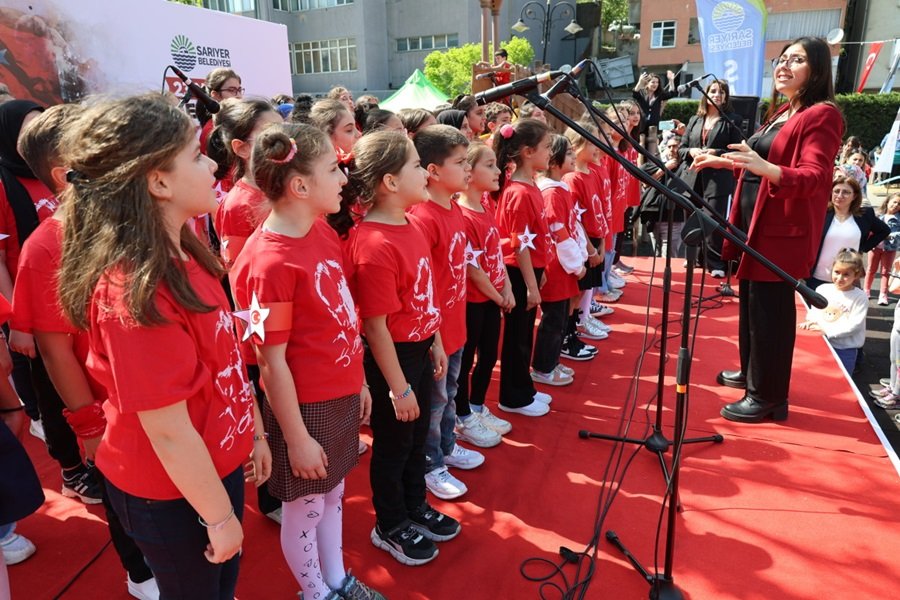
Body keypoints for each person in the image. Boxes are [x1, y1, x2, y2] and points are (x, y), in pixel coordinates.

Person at [57, 94, 271, 597]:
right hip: (171, 493)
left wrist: (253, 432)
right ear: (158, 182)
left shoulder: (185, 252)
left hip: (206, 472)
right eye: (196, 156)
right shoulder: (137, 292)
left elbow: (224, 362)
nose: (213, 164)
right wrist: (219, 518)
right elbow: (169, 431)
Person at [230, 122, 384, 599]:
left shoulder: (319, 230)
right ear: (299, 185)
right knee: (308, 505)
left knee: (334, 492)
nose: (344, 179)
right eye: (333, 169)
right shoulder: (269, 263)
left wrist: (358, 380)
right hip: (304, 407)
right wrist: (296, 438)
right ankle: (315, 592)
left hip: (339, 393)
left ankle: (336, 580)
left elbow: (340, 313)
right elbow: (270, 363)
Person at [12, 104, 160, 598]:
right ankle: (141, 574)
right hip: (109, 409)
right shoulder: (45, 247)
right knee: (127, 499)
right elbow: (55, 351)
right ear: (65, 173)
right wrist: (89, 424)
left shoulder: (132, 221)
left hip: (157, 396)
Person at [692, 36, 844, 422]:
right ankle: (752, 373)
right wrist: (723, 161)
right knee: (752, 304)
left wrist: (766, 168)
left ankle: (769, 396)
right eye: (782, 58)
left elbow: (815, 176)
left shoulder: (822, 115)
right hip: (755, 225)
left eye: (797, 60)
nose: (784, 66)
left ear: (817, 70)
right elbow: (759, 158)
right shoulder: (785, 110)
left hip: (781, 232)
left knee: (770, 313)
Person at [344, 131, 459, 566]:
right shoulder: (374, 244)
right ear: (390, 182)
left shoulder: (411, 224)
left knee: (415, 440)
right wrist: (399, 387)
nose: (424, 172)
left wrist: (436, 341)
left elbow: (424, 296)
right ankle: (390, 523)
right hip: (393, 359)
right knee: (393, 446)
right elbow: (375, 328)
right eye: (415, 165)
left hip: (419, 349)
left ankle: (415, 505)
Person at [0, 100, 103, 503]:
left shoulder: (71, 181)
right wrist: (19, 318)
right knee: (52, 388)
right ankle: (72, 469)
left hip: (78, 301)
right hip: (39, 298)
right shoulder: (6, 183)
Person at [408, 126, 487, 502]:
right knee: (436, 400)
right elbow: (421, 285)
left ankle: (447, 446)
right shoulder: (422, 217)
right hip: (435, 331)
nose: (468, 168)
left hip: (456, 323)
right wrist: (435, 336)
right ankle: (430, 462)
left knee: (451, 392)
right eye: (460, 162)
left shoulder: (454, 208)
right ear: (433, 171)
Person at [492, 119, 554, 417]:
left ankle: (524, 387)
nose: (550, 152)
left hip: (530, 270)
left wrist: (540, 273)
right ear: (528, 152)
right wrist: (530, 285)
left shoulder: (530, 185)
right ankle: (513, 396)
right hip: (518, 272)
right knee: (517, 337)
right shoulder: (518, 192)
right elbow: (520, 245)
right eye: (546, 147)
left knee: (525, 334)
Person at [454, 143, 514, 445]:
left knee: (490, 354)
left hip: (492, 298)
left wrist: (507, 286)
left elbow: (495, 253)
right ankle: (461, 414)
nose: (498, 171)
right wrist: (498, 295)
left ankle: (477, 405)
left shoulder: (487, 206)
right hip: (474, 302)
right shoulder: (462, 215)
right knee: (466, 361)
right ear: (469, 172)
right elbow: (472, 269)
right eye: (489, 165)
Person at [676, 79, 744, 278]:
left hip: (718, 179)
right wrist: (691, 151)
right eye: (713, 91)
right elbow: (681, 149)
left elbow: (738, 150)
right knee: (692, 218)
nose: (717, 95)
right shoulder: (694, 120)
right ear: (705, 95)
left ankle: (714, 262)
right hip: (693, 177)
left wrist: (716, 152)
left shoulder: (732, 119)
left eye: (721, 92)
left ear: (726, 97)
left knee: (713, 220)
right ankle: (694, 258)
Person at [534, 134, 586, 387]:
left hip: (565, 266)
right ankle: (543, 367)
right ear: (554, 161)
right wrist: (577, 263)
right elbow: (558, 231)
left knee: (562, 318)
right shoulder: (551, 193)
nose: (574, 157)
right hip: (557, 267)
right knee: (553, 320)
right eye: (569, 153)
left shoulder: (560, 188)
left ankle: (552, 361)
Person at [209, 98, 282, 267]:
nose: (285, 140)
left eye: (286, 129)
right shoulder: (237, 207)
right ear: (242, 148)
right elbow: (238, 272)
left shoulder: (287, 188)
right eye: (271, 133)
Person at [807, 175, 888, 291]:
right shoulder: (821, 213)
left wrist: (863, 248)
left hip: (849, 279)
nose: (840, 195)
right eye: (836, 191)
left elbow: (884, 230)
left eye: (846, 192)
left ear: (854, 196)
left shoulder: (865, 215)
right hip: (818, 277)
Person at [799, 249, 868, 373]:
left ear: (856, 275)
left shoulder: (860, 297)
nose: (840, 278)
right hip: (821, 343)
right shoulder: (822, 289)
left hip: (845, 349)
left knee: (841, 376)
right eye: (837, 272)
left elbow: (855, 326)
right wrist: (810, 321)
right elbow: (815, 311)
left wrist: (827, 331)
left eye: (846, 274)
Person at [197, 68, 244, 154]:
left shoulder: (242, 123)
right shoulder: (211, 131)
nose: (238, 95)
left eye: (239, 90)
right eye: (231, 90)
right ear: (215, 95)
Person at [865, 192, 900, 304]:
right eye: (894, 202)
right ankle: (866, 291)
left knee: (885, 271)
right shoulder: (878, 215)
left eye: (899, 204)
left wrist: (890, 235)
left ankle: (883, 294)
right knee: (871, 269)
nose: (896, 205)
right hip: (874, 247)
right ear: (888, 201)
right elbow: (870, 228)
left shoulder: (898, 219)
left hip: (889, 249)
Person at [632, 70, 676, 153]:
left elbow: (671, 93)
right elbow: (635, 93)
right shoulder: (642, 93)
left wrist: (671, 80)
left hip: (653, 128)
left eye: (657, 82)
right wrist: (640, 82)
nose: (655, 84)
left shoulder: (659, 95)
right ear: (647, 83)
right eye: (653, 82)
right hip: (641, 127)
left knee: (651, 149)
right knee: (640, 147)